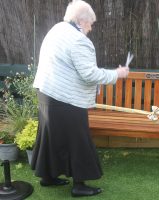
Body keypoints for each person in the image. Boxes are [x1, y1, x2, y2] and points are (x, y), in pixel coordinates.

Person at [31, 0, 129, 197]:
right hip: (66, 99)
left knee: (50, 135)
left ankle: (47, 177)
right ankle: (79, 186)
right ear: (81, 20)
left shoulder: (57, 29)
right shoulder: (78, 40)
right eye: (90, 23)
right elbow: (89, 75)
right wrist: (117, 74)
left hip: (46, 92)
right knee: (78, 139)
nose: (91, 28)